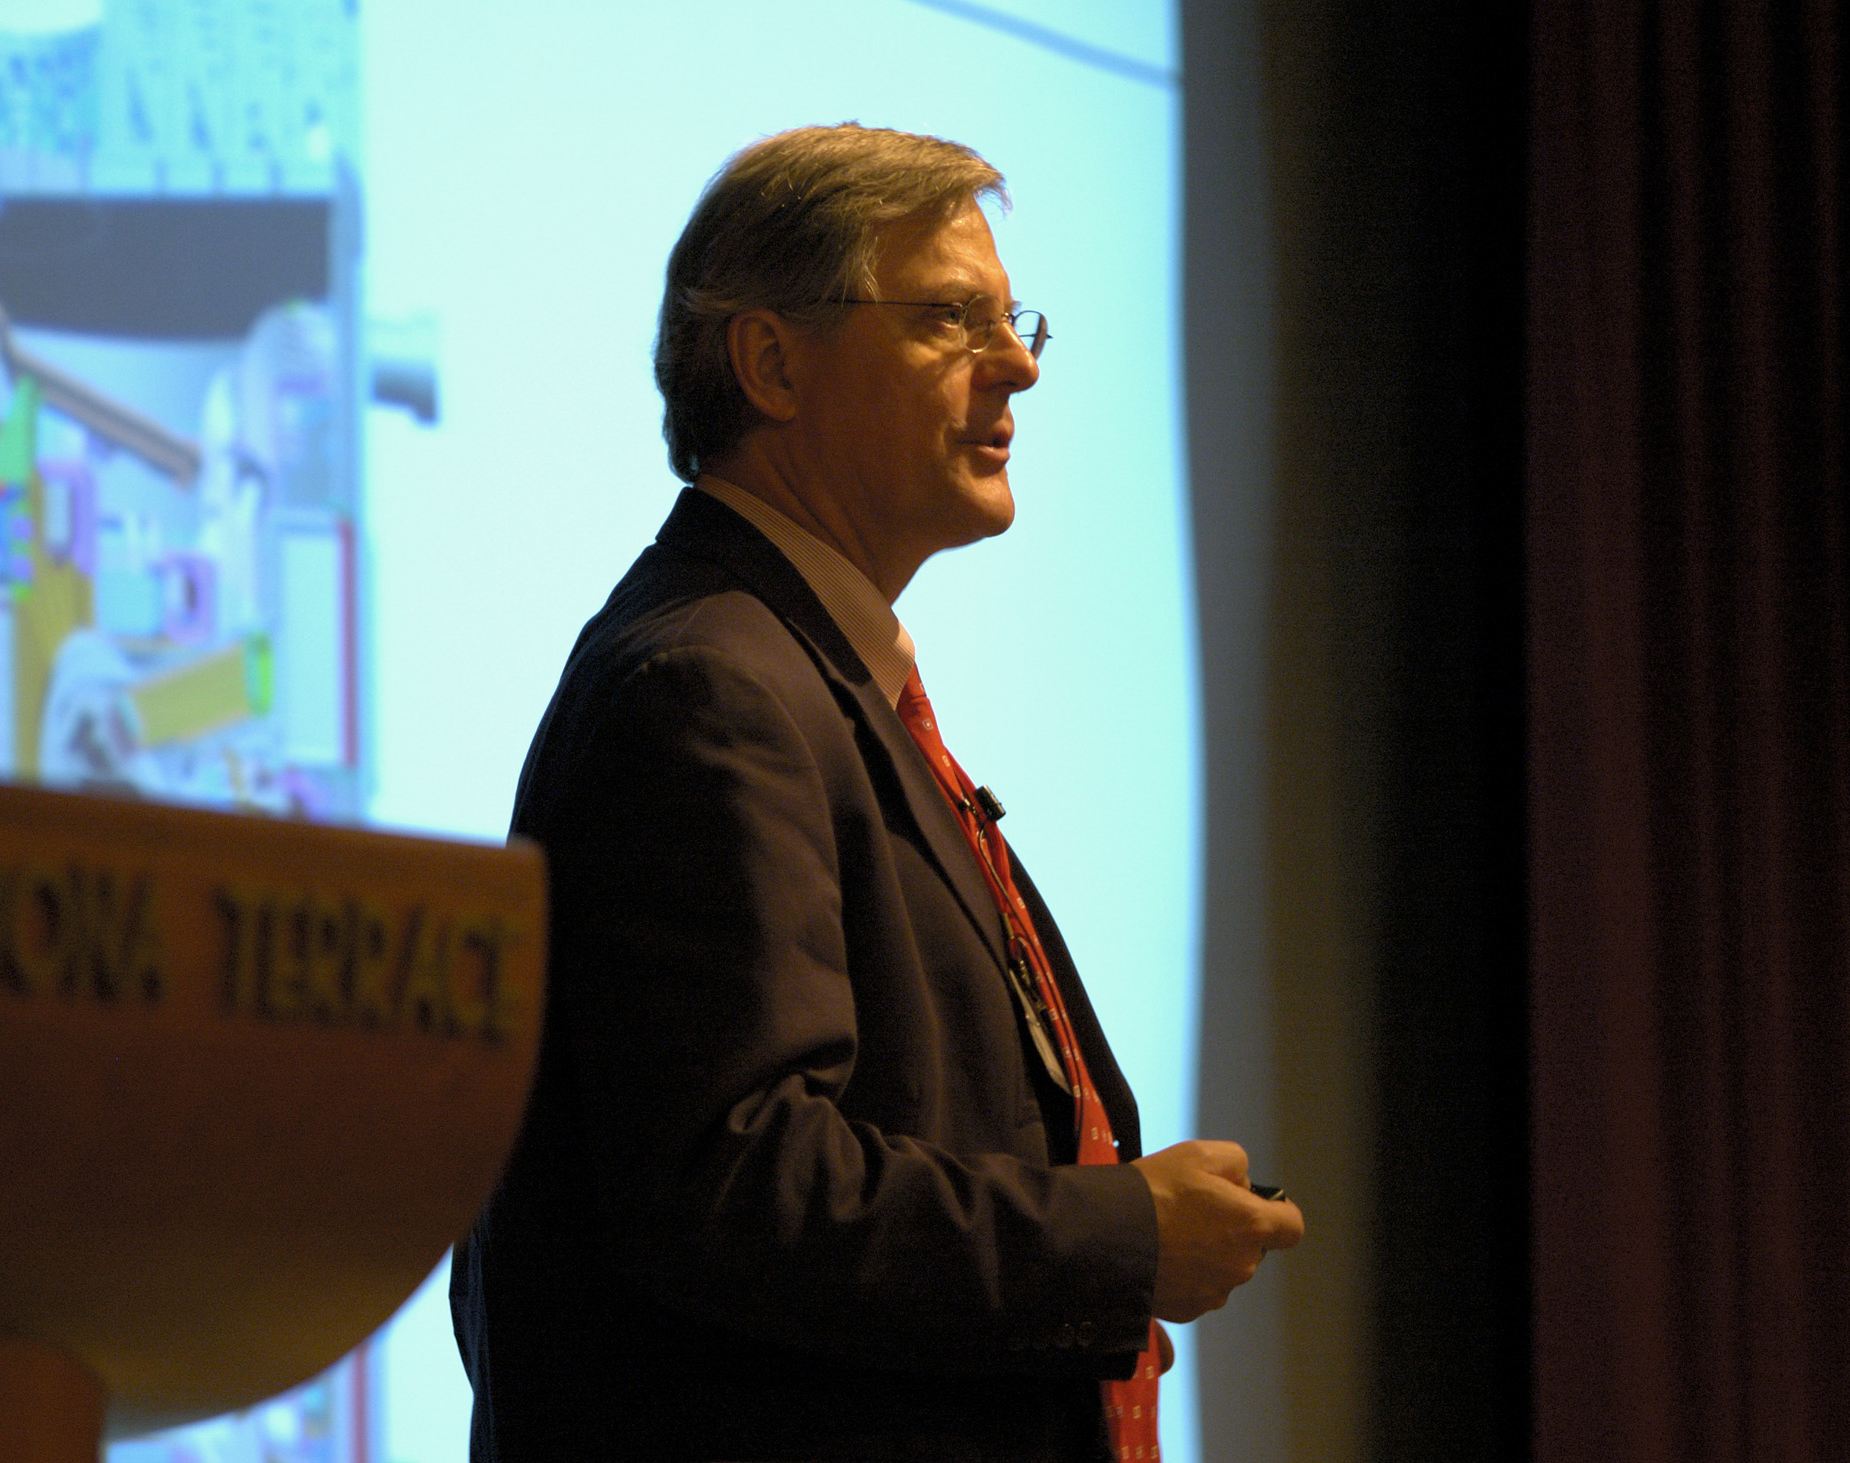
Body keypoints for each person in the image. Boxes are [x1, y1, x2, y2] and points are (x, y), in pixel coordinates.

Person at [451, 122, 1303, 1463]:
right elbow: (743, 1188)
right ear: (773, 364)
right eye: (950, 320)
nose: (1018, 363)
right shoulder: (708, 688)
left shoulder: (805, 676)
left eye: (1014, 319)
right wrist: (1120, 1238)